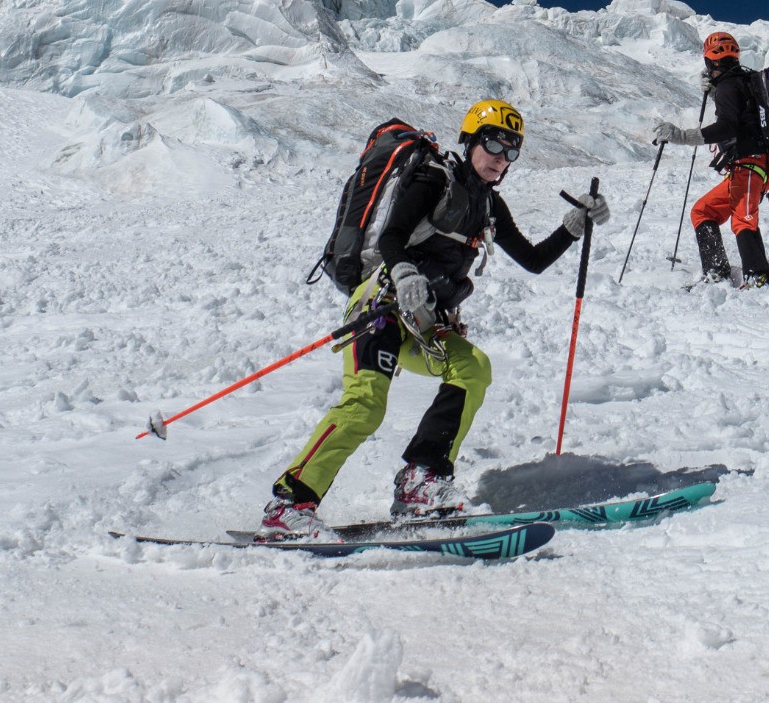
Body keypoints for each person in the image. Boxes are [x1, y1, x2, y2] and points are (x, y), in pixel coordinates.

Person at [256, 98, 610, 539]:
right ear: (471, 140)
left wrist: (574, 226)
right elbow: (391, 238)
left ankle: (421, 482)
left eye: (511, 152)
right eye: (495, 145)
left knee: (473, 369)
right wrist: (403, 272)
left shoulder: (489, 206)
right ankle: (289, 504)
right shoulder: (432, 178)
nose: (501, 159)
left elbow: (534, 260)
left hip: (424, 323)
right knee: (365, 405)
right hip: (381, 307)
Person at [653, 31, 769, 288]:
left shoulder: (728, 86)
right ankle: (717, 272)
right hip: (762, 166)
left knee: (742, 218)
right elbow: (749, 119)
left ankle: (758, 276)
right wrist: (714, 93)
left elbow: (728, 127)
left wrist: (681, 135)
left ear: (710, 62)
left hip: (751, 164)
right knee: (704, 211)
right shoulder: (744, 81)